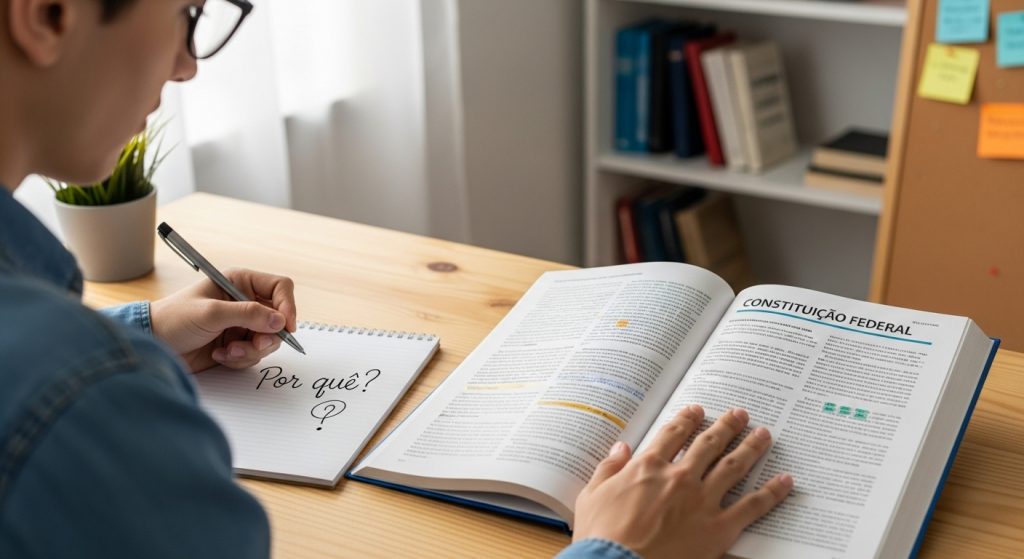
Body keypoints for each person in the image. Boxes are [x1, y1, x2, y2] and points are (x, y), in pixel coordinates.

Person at [0, 1, 792, 557]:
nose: (186, 65)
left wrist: (142, 335)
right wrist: (617, 550)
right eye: (188, 12)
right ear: (49, 14)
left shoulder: (73, 371)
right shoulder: (81, 401)